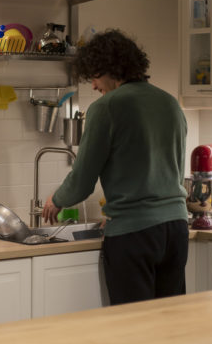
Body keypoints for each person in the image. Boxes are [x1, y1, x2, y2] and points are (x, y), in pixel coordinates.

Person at [41, 29, 189, 305]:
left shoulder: (106, 108)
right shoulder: (170, 103)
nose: (94, 86)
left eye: (95, 77)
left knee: (132, 327)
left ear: (110, 69)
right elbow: (174, 171)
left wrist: (57, 200)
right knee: (171, 324)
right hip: (176, 229)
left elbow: (83, 178)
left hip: (134, 236)